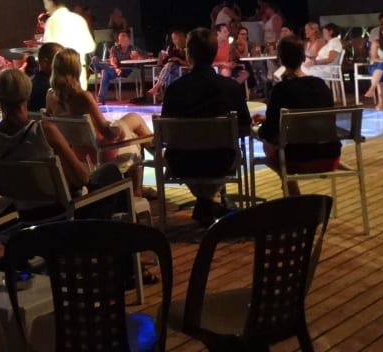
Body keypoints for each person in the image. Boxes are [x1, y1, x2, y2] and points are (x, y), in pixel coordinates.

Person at [0, 68, 126, 221]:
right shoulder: (44, 131)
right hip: (63, 214)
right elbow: (82, 179)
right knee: (110, 171)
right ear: (27, 95)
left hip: (24, 214)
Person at [159, 27, 250, 226]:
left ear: (188, 54)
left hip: (182, 163)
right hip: (221, 161)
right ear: (214, 53)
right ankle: (210, 202)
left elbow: (166, 133)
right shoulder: (230, 88)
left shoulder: (174, 90)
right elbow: (244, 128)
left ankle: (206, 203)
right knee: (227, 150)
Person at [46, 49, 153, 195]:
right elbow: (108, 133)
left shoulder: (50, 96)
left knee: (134, 118)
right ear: (76, 68)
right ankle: (138, 190)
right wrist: (119, 130)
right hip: (100, 153)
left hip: (78, 151)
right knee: (136, 135)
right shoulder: (83, 97)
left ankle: (152, 166)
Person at [257, 36, 339, 196]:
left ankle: (291, 190)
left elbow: (269, 131)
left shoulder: (281, 90)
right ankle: (292, 192)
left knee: (268, 146)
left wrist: (260, 129)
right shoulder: (321, 85)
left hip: (296, 158)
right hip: (330, 155)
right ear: (303, 58)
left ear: (281, 60)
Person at [40, 0, 96, 86]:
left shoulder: (52, 21)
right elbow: (90, 46)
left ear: (51, 2)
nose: (45, 7)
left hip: (61, 75)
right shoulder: (78, 19)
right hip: (79, 74)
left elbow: (48, 48)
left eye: (45, 3)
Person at [143, 29, 189, 104]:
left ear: (180, 38)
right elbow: (163, 62)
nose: (174, 40)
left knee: (170, 66)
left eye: (175, 38)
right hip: (170, 70)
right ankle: (168, 99)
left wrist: (178, 59)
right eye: (173, 38)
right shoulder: (171, 47)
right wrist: (164, 57)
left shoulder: (186, 49)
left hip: (182, 70)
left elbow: (189, 64)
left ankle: (157, 88)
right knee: (169, 74)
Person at [98, 30, 141, 103]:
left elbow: (146, 54)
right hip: (115, 70)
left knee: (104, 71)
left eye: (125, 40)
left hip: (127, 70)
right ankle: (101, 99)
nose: (123, 41)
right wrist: (116, 68)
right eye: (121, 40)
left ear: (129, 40)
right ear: (119, 41)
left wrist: (138, 57)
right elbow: (112, 61)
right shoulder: (114, 48)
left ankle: (101, 99)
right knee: (100, 65)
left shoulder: (133, 48)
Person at [27, 42, 62, 112]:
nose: (64, 64)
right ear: (45, 62)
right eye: (59, 61)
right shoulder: (52, 88)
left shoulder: (31, 82)